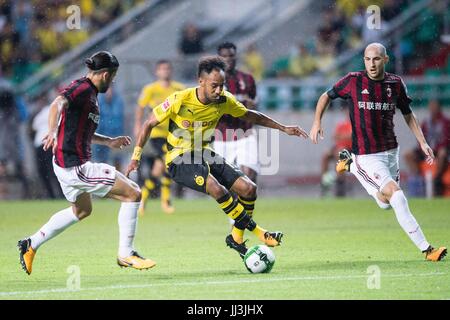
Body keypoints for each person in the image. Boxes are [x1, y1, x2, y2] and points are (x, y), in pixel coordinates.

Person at [126, 56, 309, 258]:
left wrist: (283, 128)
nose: (219, 90)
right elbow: (148, 123)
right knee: (216, 188)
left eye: (222, 85)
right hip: (179, 159)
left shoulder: (224, 100)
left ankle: (236, 237)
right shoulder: (181, 99)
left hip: (204, 154)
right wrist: (136, 156)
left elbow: (250, 114)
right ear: (201, 81)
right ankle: (259, 232)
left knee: (249, 189)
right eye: (214, 86)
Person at [18, 51, 156, 275]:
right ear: (104, 74)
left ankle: (30, 244)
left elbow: (80, 130)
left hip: (65, 164)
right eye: (113, 76)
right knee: (133, 193)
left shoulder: (90, 94)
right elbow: (57, 104)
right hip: (76, 167)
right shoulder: (82, 88)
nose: (113, 81)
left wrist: (108, 141)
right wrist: (52, 131)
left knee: (81, 210)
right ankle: (126, 253)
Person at [309, 43, 447, 262]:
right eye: (367, 59)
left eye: (376, 59)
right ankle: (427, 249)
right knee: (398, 197)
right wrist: (317, 122)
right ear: (363, 60)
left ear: (386, 60)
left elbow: (408, 114)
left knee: (385, 203)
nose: (371, 64)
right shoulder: (353, 81)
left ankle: (349, 164)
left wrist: (422, 142)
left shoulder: (396, 83)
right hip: (367, 155)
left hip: (391, 152)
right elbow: (326, 96)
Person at [134, 59, 185, 215]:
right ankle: (165, 201)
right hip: (156, 134)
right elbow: (140, 107)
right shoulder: (150, 89)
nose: (165, 71)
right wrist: (138, 126)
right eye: (162, 69)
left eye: (168, 69)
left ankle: (142, 199)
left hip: (174, 134)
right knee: (167, 163)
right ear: (157, 72)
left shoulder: (179, 89)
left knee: (158, 170)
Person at [404, 99, 449, 196]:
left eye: (434, 106)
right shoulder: (426, 122)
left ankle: (436, 178)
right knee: (408, 155)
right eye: (431, 106)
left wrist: (438, 149)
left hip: (439, 151)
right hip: (426, 150)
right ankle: (419, 176)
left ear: (439, 108)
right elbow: (421, 137)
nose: (432, 109)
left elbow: (446, 140)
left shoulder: (445, 122)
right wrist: (424, 148)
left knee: (442, 153)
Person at [92, 84, 125, 172]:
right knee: (102, 163)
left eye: (110, 89)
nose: (109, 92)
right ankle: (104, 182)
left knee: (117, 160)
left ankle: (119, 181)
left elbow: (120, 119)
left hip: (116, 135)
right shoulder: (98, 102)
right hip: (101, 135)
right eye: (106, 89)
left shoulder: (118, 101)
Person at [320, 116, 352, 197]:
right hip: (338, 148)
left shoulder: (354, 124)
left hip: (350, 150)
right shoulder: (341, 124)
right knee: (325, 155)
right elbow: (335, 136)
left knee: (340, 152)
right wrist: (345, 136)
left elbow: (353, 137)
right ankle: (325, 181)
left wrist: (342, 136)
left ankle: (340, 181)